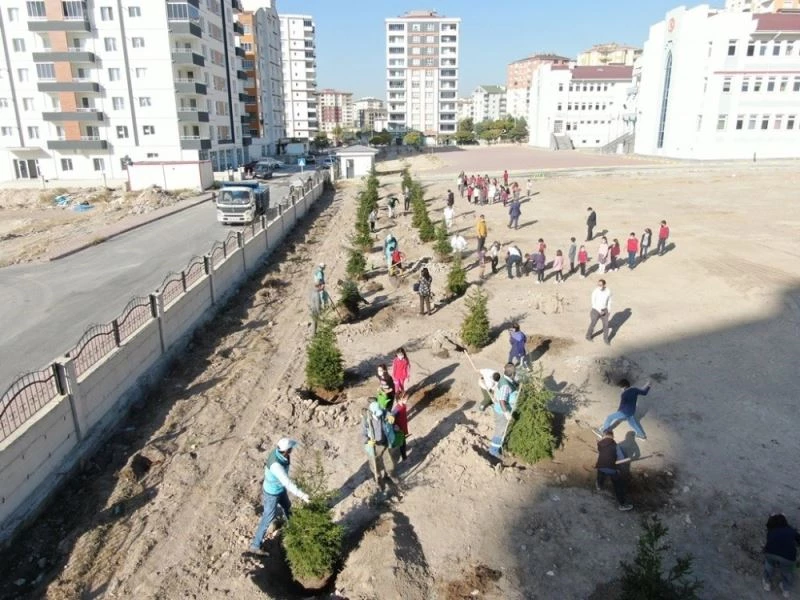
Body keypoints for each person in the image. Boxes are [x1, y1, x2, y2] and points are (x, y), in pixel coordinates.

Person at [249, 438, 310, 552]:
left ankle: (293, 529)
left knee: (287, 507)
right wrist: (302, 495)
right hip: (272, 493)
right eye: (291, 449)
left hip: (279, 489)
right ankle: (255, 545)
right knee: (268, 517)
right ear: (286, 451)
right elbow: (287, 482)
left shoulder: (281, 454)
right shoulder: (276, 465)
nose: (292, 451)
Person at [362, 400, 399, 490]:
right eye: (377, 415)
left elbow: (388, 413)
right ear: (372, 412)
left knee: (389, 462)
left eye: (380, 414)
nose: (379, 416)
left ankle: (390, 475)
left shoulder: (382, 413)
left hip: (385, 442)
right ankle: (378, 479)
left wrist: (391, 416)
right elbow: (362, 434)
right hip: (374, 446)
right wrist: (367, 441)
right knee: (375, 464)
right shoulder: (366, 419)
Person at [595, 430, 633, 511]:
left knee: (601, 472)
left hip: (600, 465)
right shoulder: (616, 446)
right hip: (611, 468)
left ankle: (599, 485)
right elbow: (621, 458)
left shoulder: (599, 443)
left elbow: (600, 451)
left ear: (604, 435)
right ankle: (622, 504)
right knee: (618, 485)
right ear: (612, 436)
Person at [762, 513, 800, 595]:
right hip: (788, 557)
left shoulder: (771, 531)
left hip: (771, 553)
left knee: (769, 566)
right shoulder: (791, 531)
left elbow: (769, 543)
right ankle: (786, 589)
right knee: (787, 572)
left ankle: (767, 582)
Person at [488, 366, 517, 458]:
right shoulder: (505, 386)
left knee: (503, 429)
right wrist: (506, 412)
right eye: (515, 374)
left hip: (502, 409)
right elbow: (502, 400)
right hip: (501, 412)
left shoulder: (505, 379)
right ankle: (493, 451)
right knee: (500, 430)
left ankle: (501, 446)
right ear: (513, 374)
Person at [586, 278, 612, 344]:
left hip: (605, 310)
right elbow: (593, 302)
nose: (599, 286)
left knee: (606, 325)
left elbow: (609, 301)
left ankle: (606, 339)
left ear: (604, 285)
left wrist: (608, 310)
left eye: (600, 285)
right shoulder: (595, 291)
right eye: (598, 285)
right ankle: (588, 336)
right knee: (593, 323)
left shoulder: (608, 291)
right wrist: (599, 310)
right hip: (596, 310)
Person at [390, 395, 409, 461]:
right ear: (399, 400)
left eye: (407, 398)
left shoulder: (404, 406)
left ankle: (403, 454)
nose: (407, 399)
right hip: (399, 429)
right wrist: (394, 425)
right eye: (405, 398)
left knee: (402, 441)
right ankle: (404, 457)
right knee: (402, 442)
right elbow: (391, 418)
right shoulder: (397, 409)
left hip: (403, 427)